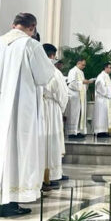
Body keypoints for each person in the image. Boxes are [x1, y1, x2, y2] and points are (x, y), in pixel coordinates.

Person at [0, 13, 54, 216]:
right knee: (18, 149)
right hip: (20, 108)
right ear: (32, 27)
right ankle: (10, 202)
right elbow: (44, 76)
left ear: (13, 24)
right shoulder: (31, 45)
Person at [41, 44, 69, 188]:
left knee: (43, 143)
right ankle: (52, 174)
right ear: (52, 55)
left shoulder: (37, 66)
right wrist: (62, 108)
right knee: (52, 142)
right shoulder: (54, 71)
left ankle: (45, 175)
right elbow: (63, 94)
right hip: (52, 108)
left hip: (40, 107)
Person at [66, 58, 94, 139]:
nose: (84, 66)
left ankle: (78, 131)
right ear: (78, 63)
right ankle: (72, 133)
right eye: (83, 65)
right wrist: (83, 82)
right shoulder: (73, 71)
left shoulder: (81, 72)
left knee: (80, 114)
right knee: (74, 114)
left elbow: (83, 83)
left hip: (80, 97)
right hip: (74, 97)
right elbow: (71, 84)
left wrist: (87, 82)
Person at [93, 63, 111, 138]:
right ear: (105, 68)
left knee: (105, 116)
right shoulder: (101, 76)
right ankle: (100, 132)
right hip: (101, 100)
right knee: (101, 116)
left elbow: (107, 86)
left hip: (106, 100)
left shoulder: (106, 76)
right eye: (110, 67)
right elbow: (100, 87)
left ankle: (104, 131)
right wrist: (110, 89)